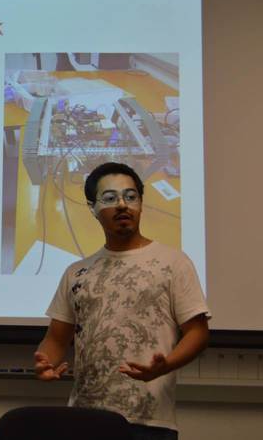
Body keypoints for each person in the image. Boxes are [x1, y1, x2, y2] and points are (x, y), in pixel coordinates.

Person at [34, 162, 210, 440]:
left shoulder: (173, 262)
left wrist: (166, 365)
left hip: (148, 420)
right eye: (110, 198)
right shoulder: (77, 272)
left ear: (140, 204)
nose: (122, 205)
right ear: (92, 208)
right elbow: (56, 339)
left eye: (131, 196)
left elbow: (197, 332)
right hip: (84, 417)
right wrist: (46, 362)